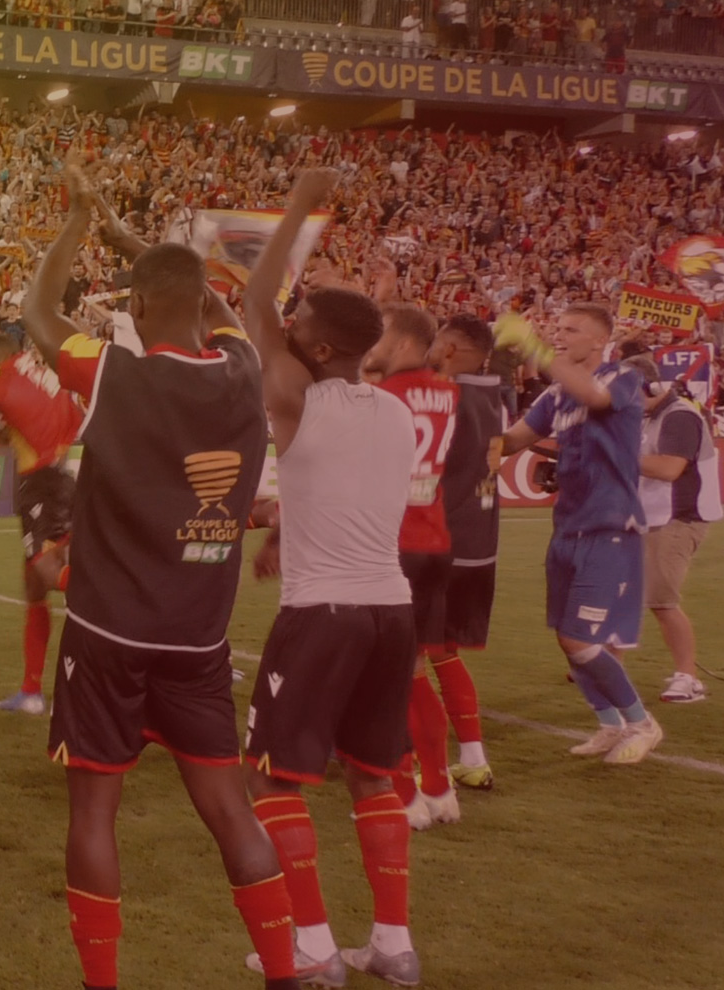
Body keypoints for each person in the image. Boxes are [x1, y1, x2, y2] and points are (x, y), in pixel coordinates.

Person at [24, 161, 301, 990]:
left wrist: (82, 222)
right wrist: (138, 249)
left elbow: (38, 312)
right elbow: (214, 306)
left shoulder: (117, 372)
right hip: (198, 641)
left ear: (136, 309)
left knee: (94, 812)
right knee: (230, 810)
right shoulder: (244, 370)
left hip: (108, 633)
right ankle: (284, 974)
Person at [243, 170, 422, 987]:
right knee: (372, 774)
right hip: (391, 610)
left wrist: (296, 209)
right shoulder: (393, 411)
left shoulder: (297, 400)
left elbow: (254, 300)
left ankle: (313, 946)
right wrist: (285, 523)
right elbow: (349, 491)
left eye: (299, 324)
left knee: (271, 777)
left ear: (317, 350)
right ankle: (393, 944)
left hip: (322, 612)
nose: (285, 327)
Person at [499, 305, 663, 764]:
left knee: (580, 639)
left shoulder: (623, 378)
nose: (560, 335)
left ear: (599, 341)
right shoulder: (556, 395)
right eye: (557, 329)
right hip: (568, 527)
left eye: (571, 330)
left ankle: (642, 723)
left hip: (610, 526)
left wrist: (535, 348)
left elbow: (593, 395)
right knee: (566, 638)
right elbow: (512, 441)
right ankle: (610, 725)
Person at [361, 303, 462, 832]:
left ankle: (403, 795)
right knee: (414, 671)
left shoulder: (381, 398)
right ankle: (440, 788)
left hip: (391, 545)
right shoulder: (447, 392)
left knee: (383, 679)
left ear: (402, 344)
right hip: (433, 541)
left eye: (379, 335)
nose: (371, 344)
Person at [0, 332, 82, 716]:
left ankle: (115, 598)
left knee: (46, 569)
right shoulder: (39, 372)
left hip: (41, 483)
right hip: (62, 476)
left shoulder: (3, 373)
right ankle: (31, 691)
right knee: (33, 584)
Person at [429, 314, 503, 789]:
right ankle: (472, 758)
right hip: (478, 547)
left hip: (439, 544)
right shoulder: (494, 396)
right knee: (443, 652)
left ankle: (420, 769)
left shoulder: (447, 397)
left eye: (436, 341)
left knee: (404, 657)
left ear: (451, 349)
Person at [627, 355, 723, 704]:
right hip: (653, 517)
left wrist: (615, 454)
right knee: (624, 595)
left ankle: (688, 677)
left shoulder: (679, 415)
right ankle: (605, 664)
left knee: (662, 601)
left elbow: (669, 468)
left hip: (679, 519)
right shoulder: (650, 415)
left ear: (649, 387)